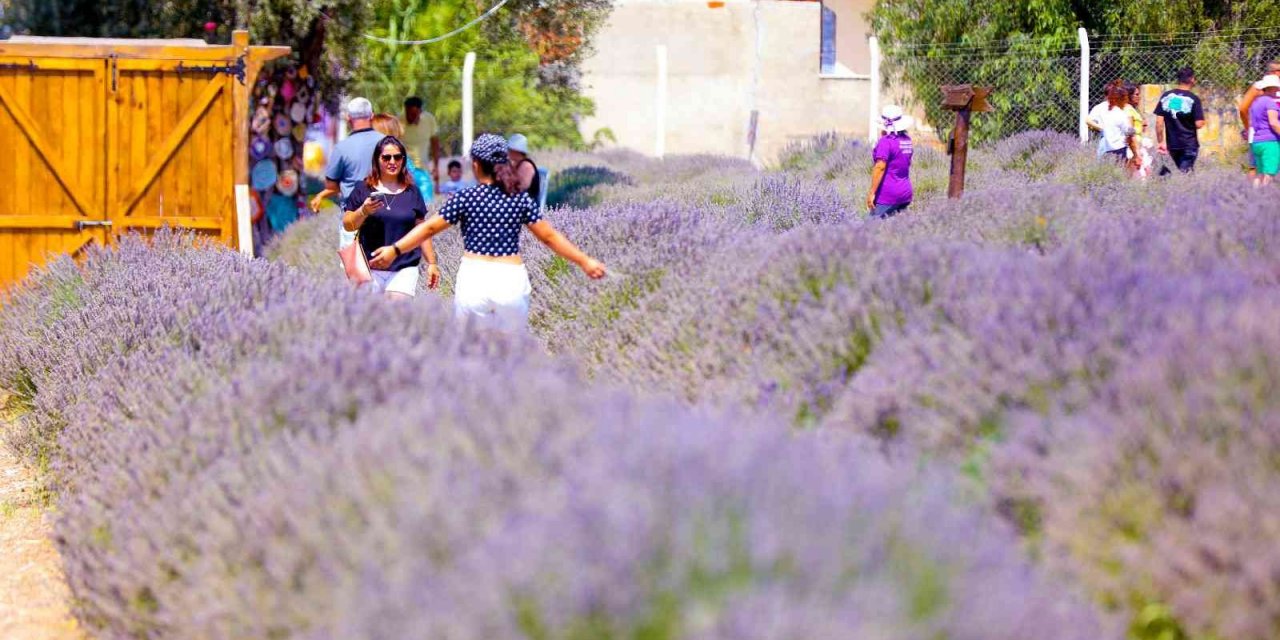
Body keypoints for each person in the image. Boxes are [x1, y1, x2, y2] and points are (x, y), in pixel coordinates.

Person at [369, 134, 605, 331]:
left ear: (476, 164)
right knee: (511, 356)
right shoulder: (518, 198)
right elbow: (549, 237)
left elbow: (428, 227)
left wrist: (395, 249)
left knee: (472, 353)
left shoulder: (466, 197)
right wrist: (585, 260)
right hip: (510, 279)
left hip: (475, 278)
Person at [343, 136, 441, 298]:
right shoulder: (363, 189)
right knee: (369, 319)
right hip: (369, 268)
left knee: (396, 317)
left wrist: (432, 262)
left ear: (403, 160)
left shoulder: (412, 192)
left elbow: (422, 230)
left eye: (397, 157)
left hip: (404, 268)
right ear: (377, 160)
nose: (392, 161)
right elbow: (348, 225)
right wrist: (363, 211)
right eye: (386, 157)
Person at [310, 97, 382, 214]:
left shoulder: (341, 148)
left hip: (353, 215)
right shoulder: (387, 142)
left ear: (348, 117)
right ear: (372, 115)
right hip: (383, 211)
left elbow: (332, 185)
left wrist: (321, 195)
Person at [1154, 67, 1206, 173]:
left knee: (1168, 176)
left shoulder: (1166, 97)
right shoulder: (1193, 99)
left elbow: (1159, 122)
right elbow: (1199, 124)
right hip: (1189, 145)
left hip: (1172, 145)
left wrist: (1160, 142)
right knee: (1185, 177)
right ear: (1192, 79)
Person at [866, 105, 914, 219]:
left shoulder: (886, 142)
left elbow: (880, 167)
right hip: (905, 192)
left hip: (887, 194)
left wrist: (872, 193)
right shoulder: (907, 140)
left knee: (868, 230)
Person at [1238, 61, 1280, 175]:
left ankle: (1257, 192)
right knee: (1258, 168)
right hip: (1269, 134)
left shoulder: (1260, 87)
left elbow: (1243, 109)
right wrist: (1248, 127)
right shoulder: (1259, 86)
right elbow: (1242, 108)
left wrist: (1249, 127)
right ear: (1275, 72)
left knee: (1258, 168)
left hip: (1265, 134)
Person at [1248, 76, 1280, 187]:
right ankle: (1264, 198)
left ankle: (1254, 197)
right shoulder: (1270, 103)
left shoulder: (1255, 103)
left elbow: (1252, 123)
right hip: (1270, 142)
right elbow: (1273, 123)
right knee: (1269, 174)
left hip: (1257, 142)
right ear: (1273, 88)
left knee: (1259, 174)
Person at [1099, 81, 1138, 170]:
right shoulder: (1121, 115)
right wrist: (1136, 154)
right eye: (1125, 98)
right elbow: (1130, 135)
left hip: (1106, 151)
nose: (1127, 100)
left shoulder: (1107, 113)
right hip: (1119, 152)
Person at [401, 96, 439, 180]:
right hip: (404, 170)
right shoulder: (398, 121)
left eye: (414, 114)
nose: (411, 117)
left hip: (423, 169)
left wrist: (436, 166)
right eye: (409, 114)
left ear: (420, 111)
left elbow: (435, 144)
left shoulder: (429, 119)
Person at [507, 133, 541, 204]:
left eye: (509, 149)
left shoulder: (526, 166)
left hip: (527, 207)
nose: (507, 152)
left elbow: (521, 188)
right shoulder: (515, 165)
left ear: (516, 151)